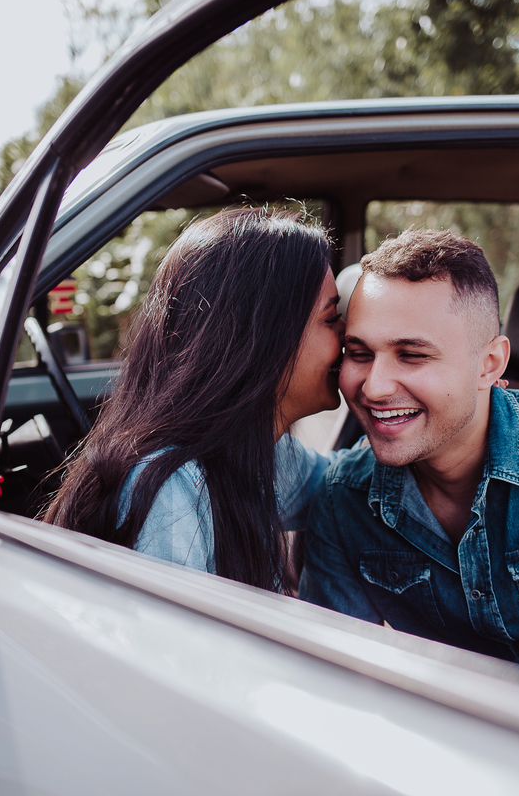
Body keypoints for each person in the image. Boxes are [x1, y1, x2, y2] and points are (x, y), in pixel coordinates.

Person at [299, 229, 519, 684]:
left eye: (412, 355)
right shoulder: (342, 499)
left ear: (489, 364)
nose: (374, 386)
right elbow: (335, 682)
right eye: (359, 353)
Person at [43, 207, 344, 593]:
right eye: (331, 317)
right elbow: (172, 651)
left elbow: (342, 482)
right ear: (265, 338)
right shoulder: (173, 493)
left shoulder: (257, 454)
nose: (348, 336)